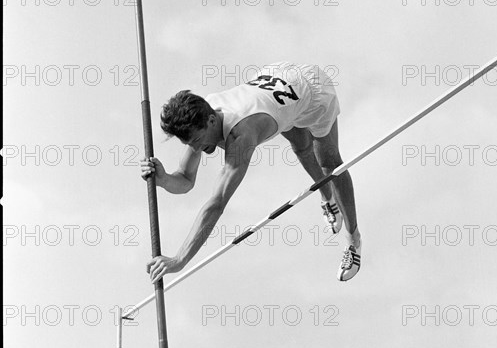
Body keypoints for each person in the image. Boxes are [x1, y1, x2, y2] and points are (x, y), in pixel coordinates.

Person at [140, 62, 361, 282]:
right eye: (189, 143)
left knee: (330, 165)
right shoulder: (201, 118)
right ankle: (327, 197)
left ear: (210, 120)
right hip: (278, 83)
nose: (196, 149)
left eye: (197, 141)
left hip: (313, 92)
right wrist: (164, 180)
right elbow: (186, 179)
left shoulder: (240, 137)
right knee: (302, 148)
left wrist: (179, 259)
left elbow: (216, 204)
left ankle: (353, 240)